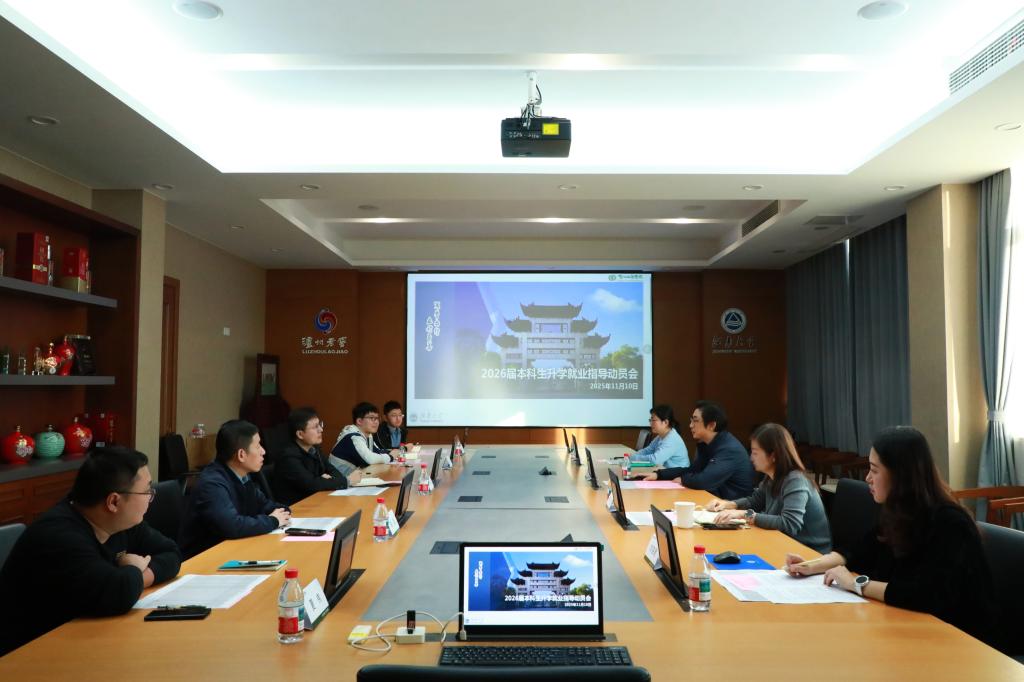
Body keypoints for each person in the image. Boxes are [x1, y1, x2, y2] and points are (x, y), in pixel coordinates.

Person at [784, 426, 996, 644]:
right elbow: (857, 551)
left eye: (874, 471)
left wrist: (856, 584)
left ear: (900, 475)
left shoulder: (950, 523)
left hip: (959, 639)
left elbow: (924, 595)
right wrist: (810, 566)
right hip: (912, 627)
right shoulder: (899, 510)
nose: (868, 478)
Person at [0, 447, 181, 656]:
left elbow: (172, 553)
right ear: (113, 502)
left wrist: (139, 576)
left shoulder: (122, 522)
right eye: (146, 491)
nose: (150, 497)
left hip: (80, 638)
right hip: (27, 654)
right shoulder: (59, 536)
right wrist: (132, 568)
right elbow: (118, 594)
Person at [706, 423, 830, 553]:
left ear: (773, 455)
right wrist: (728, 504)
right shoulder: (772, 477)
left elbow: (789, 524)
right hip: (784, 544)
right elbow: (754, 501)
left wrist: (744, 514)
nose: (751, 458)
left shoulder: (796, 480)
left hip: (809, 552)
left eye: (755, 453)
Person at [179, 419, 291, 559]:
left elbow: (265, 505)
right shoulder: (212, 484)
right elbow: (232, 526)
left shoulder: (242, 476)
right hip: (204, 559)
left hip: (233, 550)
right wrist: (273, 521)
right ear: (241, 455)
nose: (263, 451)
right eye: (258, 446)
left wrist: (283, 512)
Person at [641, 400, 754, 499]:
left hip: (732, 506)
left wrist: (683, 479)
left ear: (711, 425)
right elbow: (693, 470)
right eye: (691, 420)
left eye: (695, 421)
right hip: (713, 499)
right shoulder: (706, 443)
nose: (690, 425)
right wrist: (659, 475)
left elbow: (704, 480)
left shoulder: (728, 449)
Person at [274, 407, 360, 506]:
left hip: (316, 500)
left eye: (320, 424)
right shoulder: (288, 457)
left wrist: (322, 481)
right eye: (315, 427)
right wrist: (347, 481)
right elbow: (311, 484)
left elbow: (332, 471)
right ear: (300, 434)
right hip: (297, 508)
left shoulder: (314, 448)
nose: (321, 429)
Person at [332, 401, 398, 468]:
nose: (376, 422)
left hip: (356, 473)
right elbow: (370, 459)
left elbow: (378, 451)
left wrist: (394, 452)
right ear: (359, 421)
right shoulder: (353, 436)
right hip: (340, 474)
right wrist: (390, 456)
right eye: (372, 418)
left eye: (377, 418)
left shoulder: (368, 435)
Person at [630, 404, 689, 469]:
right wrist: (634, 455)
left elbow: (655, 460)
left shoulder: (672, 439)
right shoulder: (661, 436)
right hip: (667, 471)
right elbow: (648, 450)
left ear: (665, 422)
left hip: (678, 474)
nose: (650, 423)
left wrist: (633, 458)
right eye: (650, 420)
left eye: (653, 420)